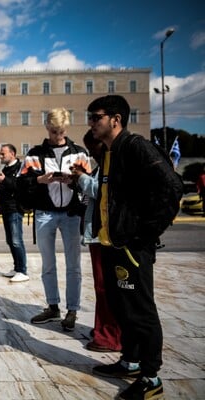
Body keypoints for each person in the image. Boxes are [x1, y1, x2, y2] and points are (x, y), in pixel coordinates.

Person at [87, 95, 182, 399]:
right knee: (121, 308)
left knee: (141, 311)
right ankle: (130, 361)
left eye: (96, 116)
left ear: (115, 119)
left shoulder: (136, 146)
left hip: (131, 246)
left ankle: (151, 378)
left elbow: (171, 187)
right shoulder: (111, 152)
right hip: (112, 243)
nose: (91, 122)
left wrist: (144, 234)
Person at [19, 107, 91, 331]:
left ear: (66, 128)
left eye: (60, 132)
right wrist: (40, 179)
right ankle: (53, 307)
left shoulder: (79, 153)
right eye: (53, 132)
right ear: (47, 127)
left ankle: (72, 310)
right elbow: (21, 184)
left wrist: (74, 181)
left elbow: (88, 185)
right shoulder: (34, 153)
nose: (57, 136)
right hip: (45, 213)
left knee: (73, 265)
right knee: (48, 264)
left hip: (71, 214)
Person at [70, 131, 121, 352]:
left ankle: (109, 336)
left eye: (93, 149)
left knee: (105, 287)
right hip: (99, 232)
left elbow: (101, 191)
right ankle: (103, 328)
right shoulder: (104, 163)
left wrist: (81, 177)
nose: (91, 154)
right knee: (103, 286)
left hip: (105, 234)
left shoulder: (113, 162)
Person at [0, 144, 28, 282]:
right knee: (10, 241)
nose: (1, 156)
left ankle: (23, 271)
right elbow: (3, 192)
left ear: (12, 154)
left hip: (15, 208)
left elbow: (20, 187)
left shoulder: (21, 168)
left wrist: (4, 180)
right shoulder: (6, 169)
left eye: (3, 153)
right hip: (6, 208)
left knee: (17, 240)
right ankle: (17, 268)